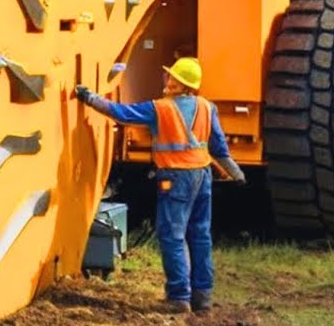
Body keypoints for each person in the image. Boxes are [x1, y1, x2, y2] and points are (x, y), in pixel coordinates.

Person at [76, 57, 246, 314]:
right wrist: (236, 173)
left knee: (173, 236)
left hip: (176, 178)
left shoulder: (161, 109)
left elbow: (121, 114)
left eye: (170, 76)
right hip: (202, 177)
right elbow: (219, 148)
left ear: (178, 83)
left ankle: (179, 297)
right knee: (200, 236)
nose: (166, 79)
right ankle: (203, 298)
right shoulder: (206, 107)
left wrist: (88, 97)